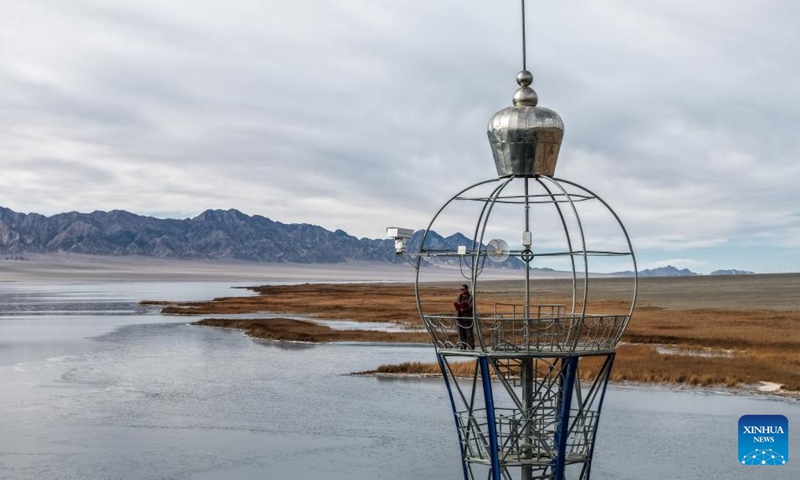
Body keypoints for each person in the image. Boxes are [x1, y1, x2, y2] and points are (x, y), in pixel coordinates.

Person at [454, 284, 475, 349]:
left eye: (462, 289)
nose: (461, 290)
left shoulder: (471, 297)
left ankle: (471, 346)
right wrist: (458, 307)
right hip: (460, 317)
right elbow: (457, 304)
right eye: (461, 289)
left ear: (466, 289)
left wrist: (464, 309)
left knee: (469, 333)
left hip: (467, 318)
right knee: (462, 333)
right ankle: (463, 346)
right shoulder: (459, 296)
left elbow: (471, 306)